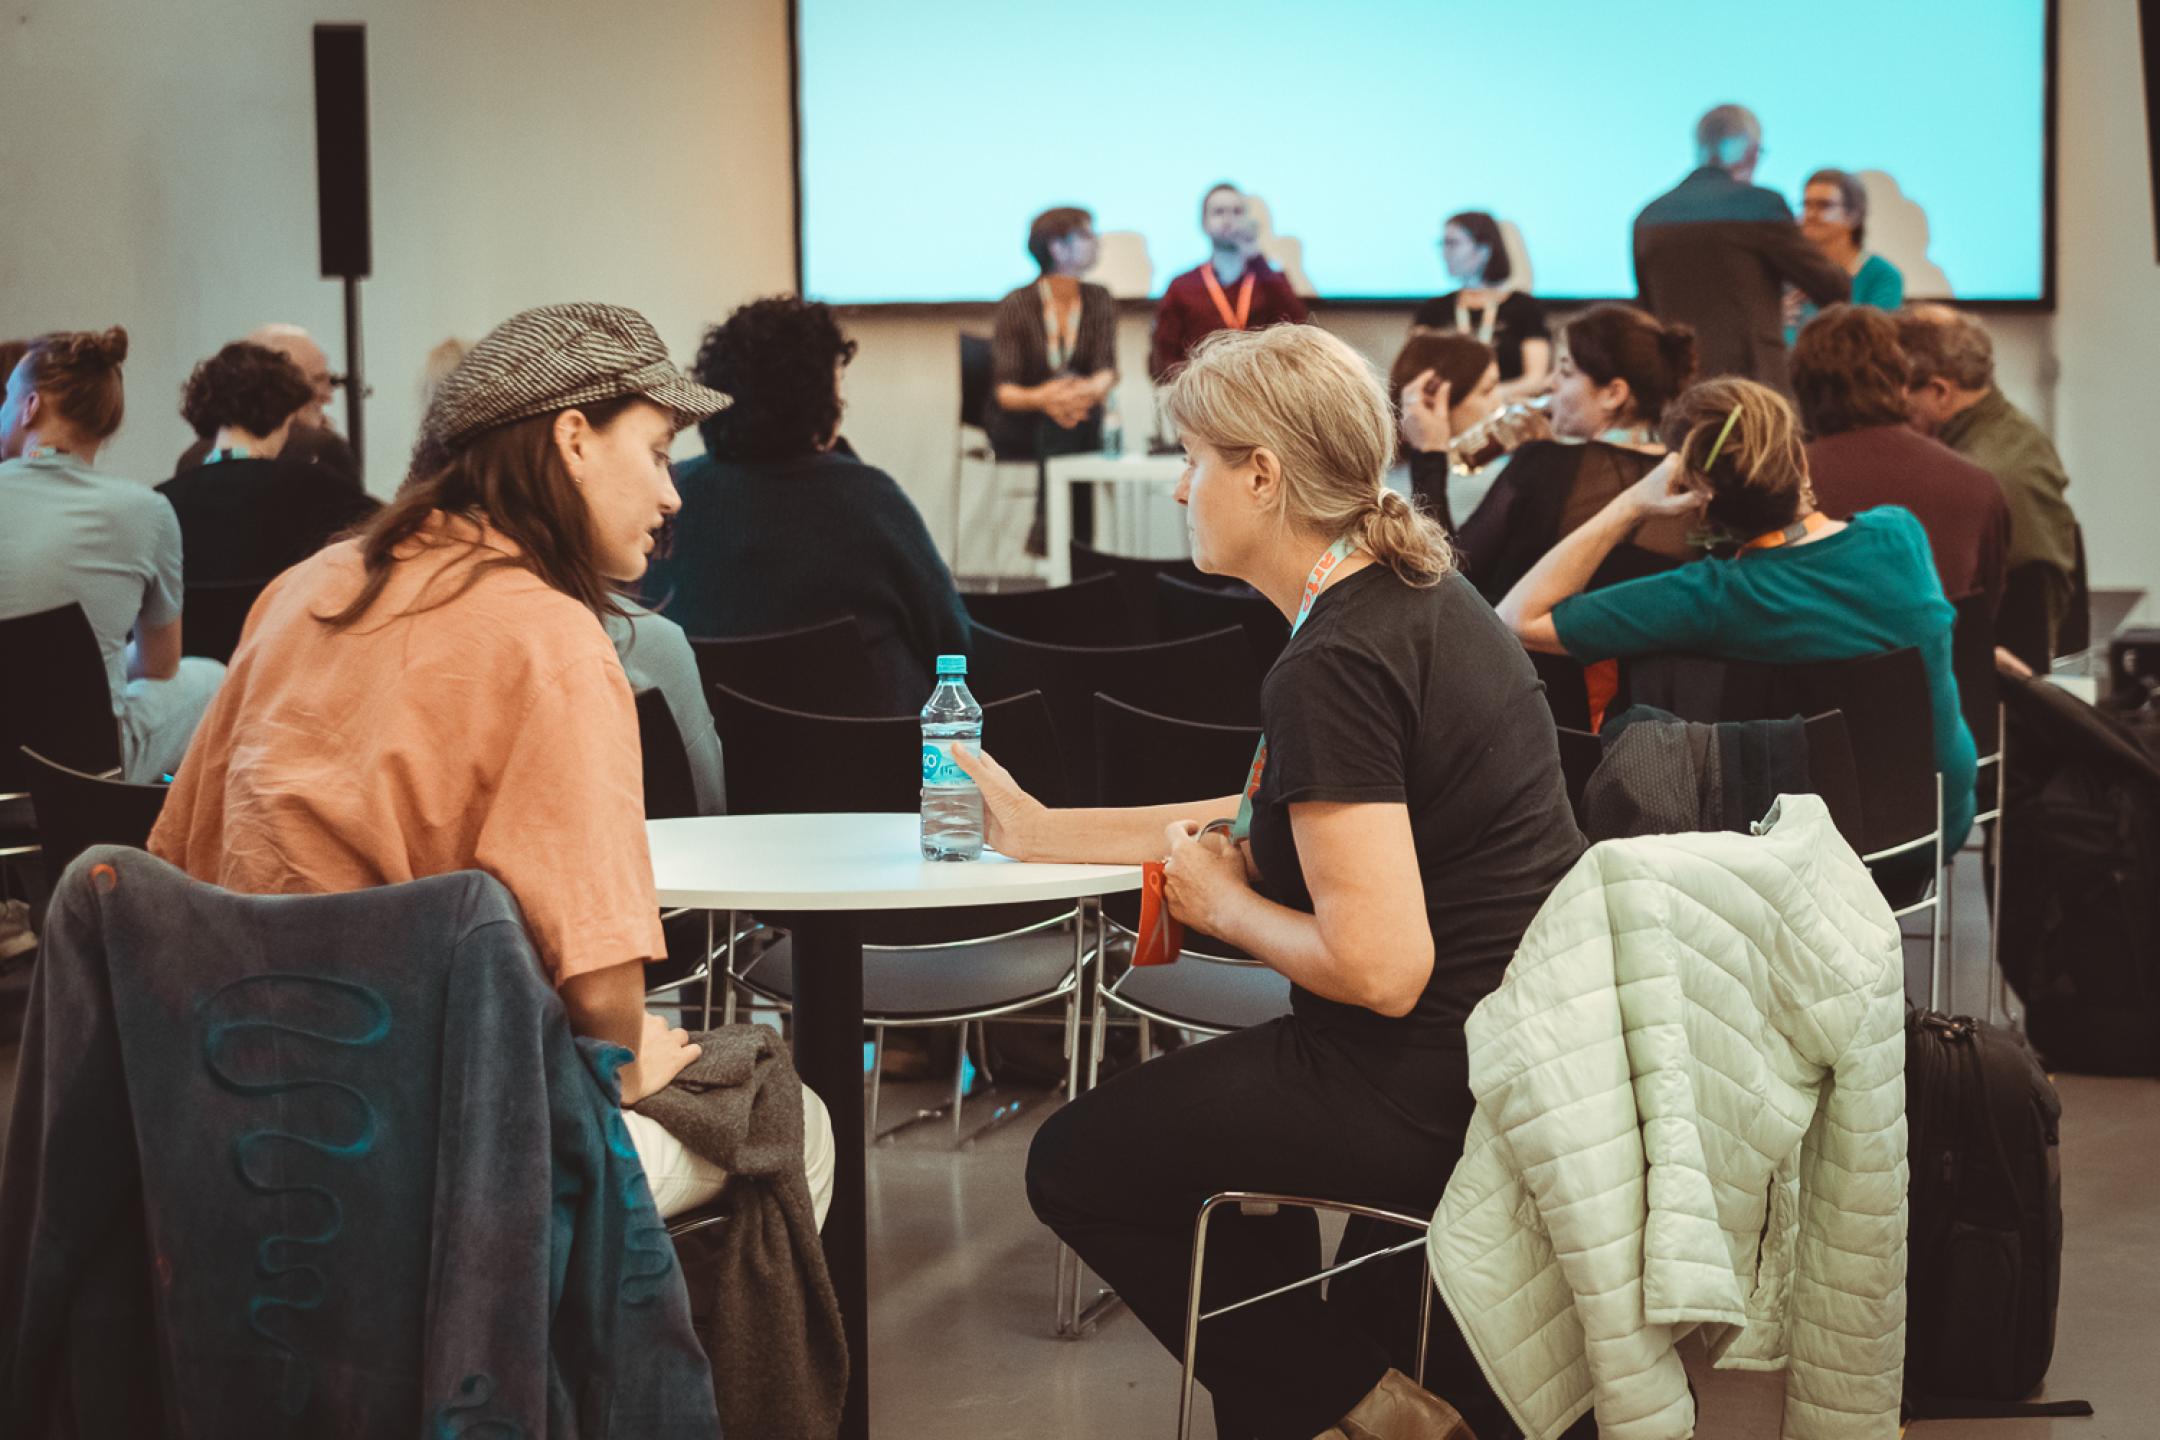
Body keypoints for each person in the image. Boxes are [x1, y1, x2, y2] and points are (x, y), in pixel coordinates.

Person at [959, 324, 1585, 1440]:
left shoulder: (1335, 660)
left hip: (1419, 1072)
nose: (1179, 489)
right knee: (1232, 1186)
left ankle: (1381, 1412)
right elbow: (1269, 819)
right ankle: (1329, 1397)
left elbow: (1384, 971)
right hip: (1505, 1050)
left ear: (1263, 474)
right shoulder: (1408, 599)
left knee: (1076, 1162)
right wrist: (1039, 831)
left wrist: (1225, 909)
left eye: (1192, 458)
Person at [145, 302, 834, 1225]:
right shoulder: (554, 638)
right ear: (575, 439)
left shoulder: (299, 590)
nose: (674, 496)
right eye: (661, 451)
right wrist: (633, 1059)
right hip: (438, 1126)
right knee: (803, 1125)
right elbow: (600, 1003)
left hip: (227, 1093)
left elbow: (177, 857)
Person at [1497, 374, 1977, 856]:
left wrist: (1631, 504)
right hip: (1938, 822)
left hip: (1815, 853)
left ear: (1698, 497)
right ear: (1799, 463)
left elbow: (1517, 618)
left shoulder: (1716, 598)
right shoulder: (1900, 533)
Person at [645, 296, 969, 716]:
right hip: (872, 764)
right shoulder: (870, 501)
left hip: (714, 763)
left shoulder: (667, 496)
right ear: (819, 400)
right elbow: (953, 645)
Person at [0, 327, 224, 783]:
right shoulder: (147, 511)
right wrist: (95, 662)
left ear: (30, 406)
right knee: (212, 678)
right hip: (82, 764)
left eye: (5, 397)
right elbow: (160, 666)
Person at [1406, 303, 1699, 604]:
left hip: (1520, 649)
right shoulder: (1688, 480)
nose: (1550, 383)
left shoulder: (1543, 465)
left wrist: (1428, 454)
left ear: (1613, 394)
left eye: (1566, 371)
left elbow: (1445, 579)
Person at [1895, 303, 2079, 668]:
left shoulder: (1971, 477)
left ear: (1939, 391)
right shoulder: (2013, 433)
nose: (1897, 412)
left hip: (1994, 665)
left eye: (1904, 400)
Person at [1793, 304, 2007, 616]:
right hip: (1941, 662)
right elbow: (1986, 614)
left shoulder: (1781, 484)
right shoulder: (1979, 485)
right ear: (1902, 383)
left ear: (1802, 389)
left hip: (1808, 662)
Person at [1633, 104, 1851, 392]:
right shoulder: (1760, 206)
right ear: (1751, 152)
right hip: (1751, 392)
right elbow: (1832, 286)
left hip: (1677, 391)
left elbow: (1647, 313)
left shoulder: (1649, 217)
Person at [158, 341, 381, 585]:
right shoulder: (314, 487)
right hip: (283, 622)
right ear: (284, 413)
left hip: (194, 624)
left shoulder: (163, 501)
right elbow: (385, 528)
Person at [987, 205, 1120, 551]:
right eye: (1088, 235)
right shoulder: (1017, 303)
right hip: (1022, 419)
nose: (1097, 242)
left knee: (1069, 424)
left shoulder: (1099, 298)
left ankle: (1053, 537)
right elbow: (1006, 392)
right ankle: (1080, 546)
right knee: (1063, 425)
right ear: (1058, 248)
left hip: (1080, 415)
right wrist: (1048, 398)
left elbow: (1107, 371)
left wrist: (1079, 395)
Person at [1149, 183, 1310, 382]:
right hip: (1202, 397)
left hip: (1260, 391)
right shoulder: (1182, 286)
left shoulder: (1268, 280)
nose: (1228, 219)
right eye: (1219, 212)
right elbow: (1163, 358)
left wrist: (1255, 256)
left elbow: (1299, 329)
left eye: (1237, 212)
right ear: (1204, 223)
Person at [175, 323, 361, 486]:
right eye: (318, 380)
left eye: (330, 380)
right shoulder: (324, 449)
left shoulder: (191, 459)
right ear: (276, 382)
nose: (329, 397)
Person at [1409, 211, 1551, 404]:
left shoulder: (1524, 308)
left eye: (1453, 243)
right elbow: (1412, 372)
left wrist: (1482, 399)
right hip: (1446, 412)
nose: (1444, 253)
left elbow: (1535, 380)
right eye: (1443, 244)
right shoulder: (1433, 310)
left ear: (1484, 249)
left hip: (1504, 413)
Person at [1386, 330, 1503, 524]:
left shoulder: (1379, 473)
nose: (1499, 402)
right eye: (1487, 391)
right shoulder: (1486, 482)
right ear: (1434, 402)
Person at [1784, 168, 1905, 342]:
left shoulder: (1882, 276)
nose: (1810, 215)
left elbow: (1874, 342)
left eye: (1823, 206)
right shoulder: (1788, 270)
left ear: (1854, 215)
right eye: (1806, 205)